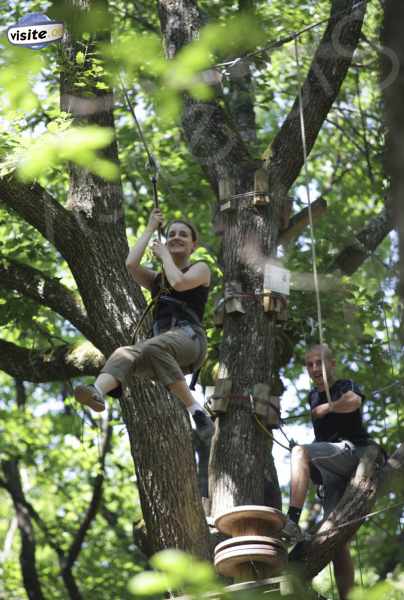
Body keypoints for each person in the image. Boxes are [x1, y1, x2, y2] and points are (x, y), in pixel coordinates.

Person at [74, 208, 214, 443]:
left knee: (152, 347)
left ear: (193, 246)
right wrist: (150, 228)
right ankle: (98, 392)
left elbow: (179, 283)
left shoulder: (200, 268)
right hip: (161, 350)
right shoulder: (157, 279)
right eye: (171, 234)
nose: (176, 237)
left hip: (189, 340)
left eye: (183, 235)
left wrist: (165, 256)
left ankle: (194, 409)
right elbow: (130, 265)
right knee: (123, 353)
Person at [283, 344, 373, 600]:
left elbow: (353, 403)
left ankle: (292, 521)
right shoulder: (313, 397)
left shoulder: (345, 385)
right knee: (336, 537)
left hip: (353, 452)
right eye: (309, 364)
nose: (314, 369)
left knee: (300, 451)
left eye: (319, 363)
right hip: (333, 467)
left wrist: (328, 407)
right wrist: (312, 470)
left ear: (331, 364)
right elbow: (324, 441)